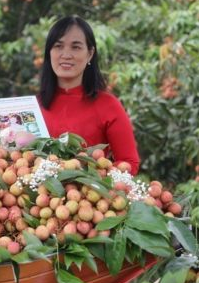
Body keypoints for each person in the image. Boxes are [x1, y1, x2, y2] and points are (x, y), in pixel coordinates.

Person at [38, 15, 140, 175]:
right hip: (39, 190)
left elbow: (129, 163)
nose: (66, 54)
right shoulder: (33, 106)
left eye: (76, 47)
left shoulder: (108, 105)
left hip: (90, 190)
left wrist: (94, 178)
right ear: (49, 52)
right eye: (58, 46)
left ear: (90, 53)